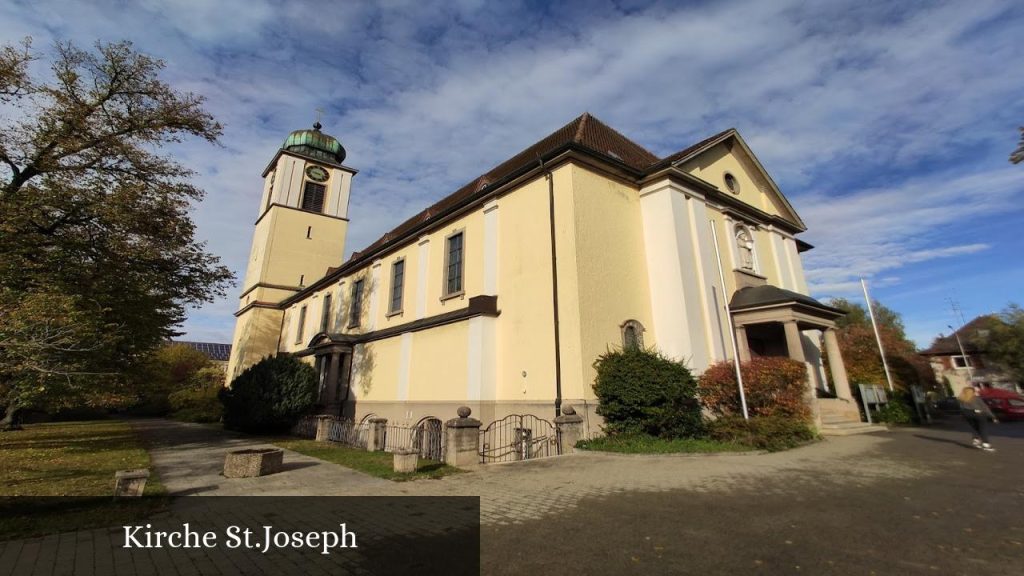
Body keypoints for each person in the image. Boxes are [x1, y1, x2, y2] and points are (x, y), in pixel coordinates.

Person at [958, 386, 998, 452]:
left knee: (974, 427)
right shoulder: (976, 398)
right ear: (972, 392)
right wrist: (993, 417)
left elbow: (962, 409)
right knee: (983, 428)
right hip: (979, 414)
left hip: (967, 414)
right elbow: (985, 408)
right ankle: (986, 444)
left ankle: (975, 439)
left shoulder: (961, 399)